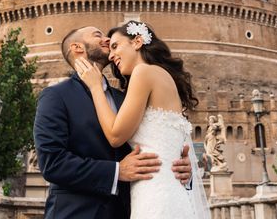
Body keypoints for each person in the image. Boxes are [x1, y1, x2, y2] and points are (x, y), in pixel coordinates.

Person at [33, 26, 192, 219]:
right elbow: (52, 162)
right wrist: (116, 172)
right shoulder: (56, 96)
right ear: (77, 48)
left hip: (133, 209)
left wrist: (179, 165)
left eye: (113, 42)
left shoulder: (124, 97)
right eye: (98, 35)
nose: (107, 40)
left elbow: (150, 143)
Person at [73, 21, 210, 219]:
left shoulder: (144, 72)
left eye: (115, 46)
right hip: (169, 191)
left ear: (137, 42)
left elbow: (115, 136)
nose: (111, 56)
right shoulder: (162, 77)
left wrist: (95, 87)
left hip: (156, 193)